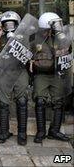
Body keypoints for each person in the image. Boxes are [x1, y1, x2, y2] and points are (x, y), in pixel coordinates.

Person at [30, 12, 71, 143]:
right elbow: (26, 52)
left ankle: (55, 131)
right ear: (47, 25)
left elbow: (68, 49)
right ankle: (41, 132)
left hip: (56, 73)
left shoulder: (60, 36)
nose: (58, 26)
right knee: (40, 101)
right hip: (41, 74)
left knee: (59, 101)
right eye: (55, 23)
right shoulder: (34, 38)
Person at [0, 11, 29, 145]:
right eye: (6, 24)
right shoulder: (1, 37)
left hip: (19, 72)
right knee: (3, 103)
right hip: (4, 73)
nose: (9, 26)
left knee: (22, 101)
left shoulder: (24, 36)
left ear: (18, 24)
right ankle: (3, 132)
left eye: (12, 23)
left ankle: (22, 134)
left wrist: (17, 39)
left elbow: (30, 53)